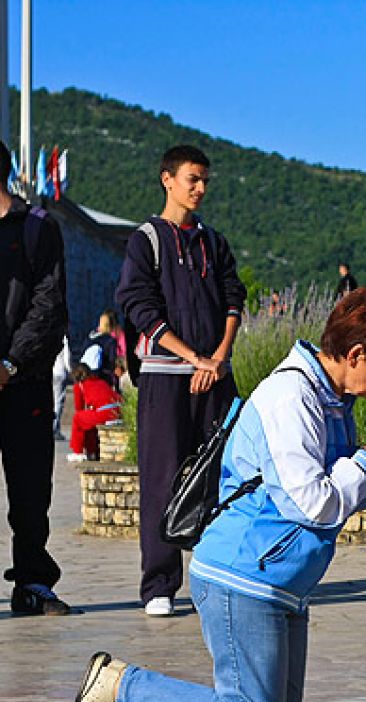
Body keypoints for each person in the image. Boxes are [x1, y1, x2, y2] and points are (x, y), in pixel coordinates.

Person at [64, 287, 366, 702]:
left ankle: (121, 690)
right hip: (241, 577)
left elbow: (344, 496)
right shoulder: (291, 397)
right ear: (358, 354)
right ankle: (119, 686)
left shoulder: (331, 401)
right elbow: (313, 503)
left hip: (280, 583)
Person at [116, 145, 246, 617]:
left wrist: (217, 358)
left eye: (206, 179)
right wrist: (193, 357)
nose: (201, 188)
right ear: (167, 179)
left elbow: (234, 297)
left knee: (223, 477)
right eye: (193, 178)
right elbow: (138, 304)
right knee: (162, 478)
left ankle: (218, 574)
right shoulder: (145, 240)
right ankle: (159, 585)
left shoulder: (214, 241)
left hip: (215, 377)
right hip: (166, 379)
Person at [0, 139, 71, 616]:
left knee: (30, 489)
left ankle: (32, 583)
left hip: (21, 383)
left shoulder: (36, 229)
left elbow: (49, 307)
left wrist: (9, 364)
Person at [66, 362, 122, 462]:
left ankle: (78, 452)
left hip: (104, 413)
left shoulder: (79, 386)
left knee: (78, 418)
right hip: (116, 412)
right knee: (88, 421)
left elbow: (79, 408)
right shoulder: (101, 381)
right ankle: (94, 452)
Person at [81, 309, 122, 386]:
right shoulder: (110, 341)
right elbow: (112, 362)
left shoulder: (89, 338)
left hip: (87, 376)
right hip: (103, 378)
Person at [51, 335, 73, 441]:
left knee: (50, 400)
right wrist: (70, 370)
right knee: (58, 402)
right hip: (60, 373)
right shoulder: (64, 340)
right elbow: (67, 359)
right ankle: (55, 428)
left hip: (51, 372)